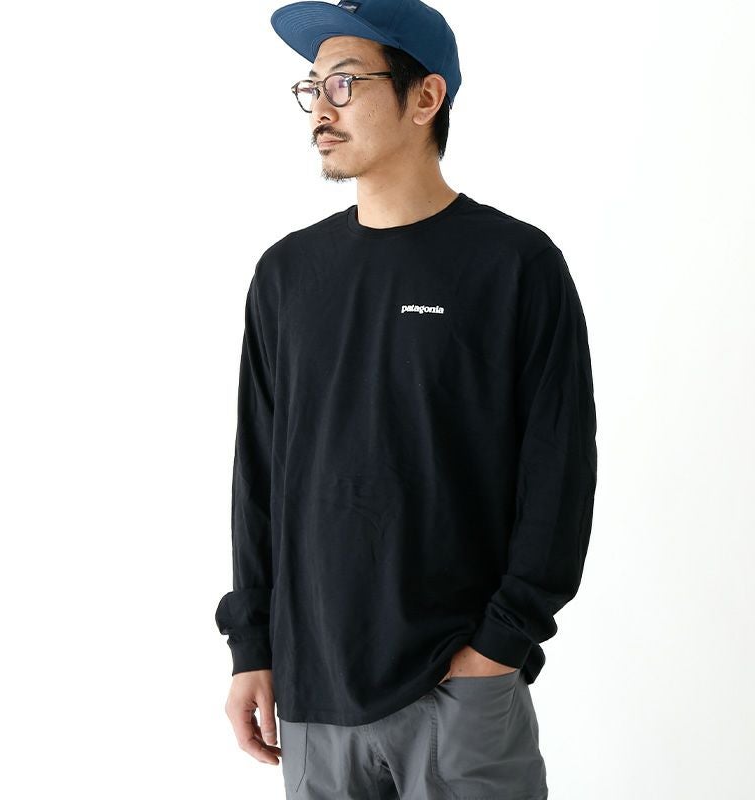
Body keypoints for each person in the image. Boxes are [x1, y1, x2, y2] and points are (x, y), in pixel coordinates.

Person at [215, 1, 598, 797]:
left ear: (425, 97)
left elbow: (559, 477)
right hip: (313, 694)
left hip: (459, 690)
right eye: (312, 87)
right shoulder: (287, 276)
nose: (320, 109)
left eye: (345, 83)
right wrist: (252, 646)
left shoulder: (515, 265)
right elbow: (258, 477)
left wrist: (497, 648)